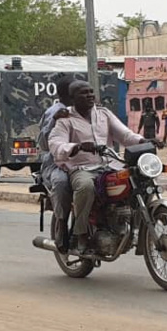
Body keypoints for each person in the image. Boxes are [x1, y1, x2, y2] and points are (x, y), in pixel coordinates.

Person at [49, 81, 146, 254]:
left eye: (91, 92)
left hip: (110, 164)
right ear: (72, 98)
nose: (89, 96)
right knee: (86, 186)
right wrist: (76, 147)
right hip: (82, 168)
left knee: (138, 179)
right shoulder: (65, 119)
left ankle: (136, 225)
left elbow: (124, 135)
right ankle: (80, 233)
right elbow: (56, 143)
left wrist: (142, 140)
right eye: (83, 93)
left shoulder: (103, 113)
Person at [37, 76, 75, 234]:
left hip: (83, 161)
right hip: (57, 163)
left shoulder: (85, 110)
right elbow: (43, 143)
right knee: (61, 182)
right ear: (67, 94)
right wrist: (54, 120)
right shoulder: (54, 112)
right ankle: (62, 223)